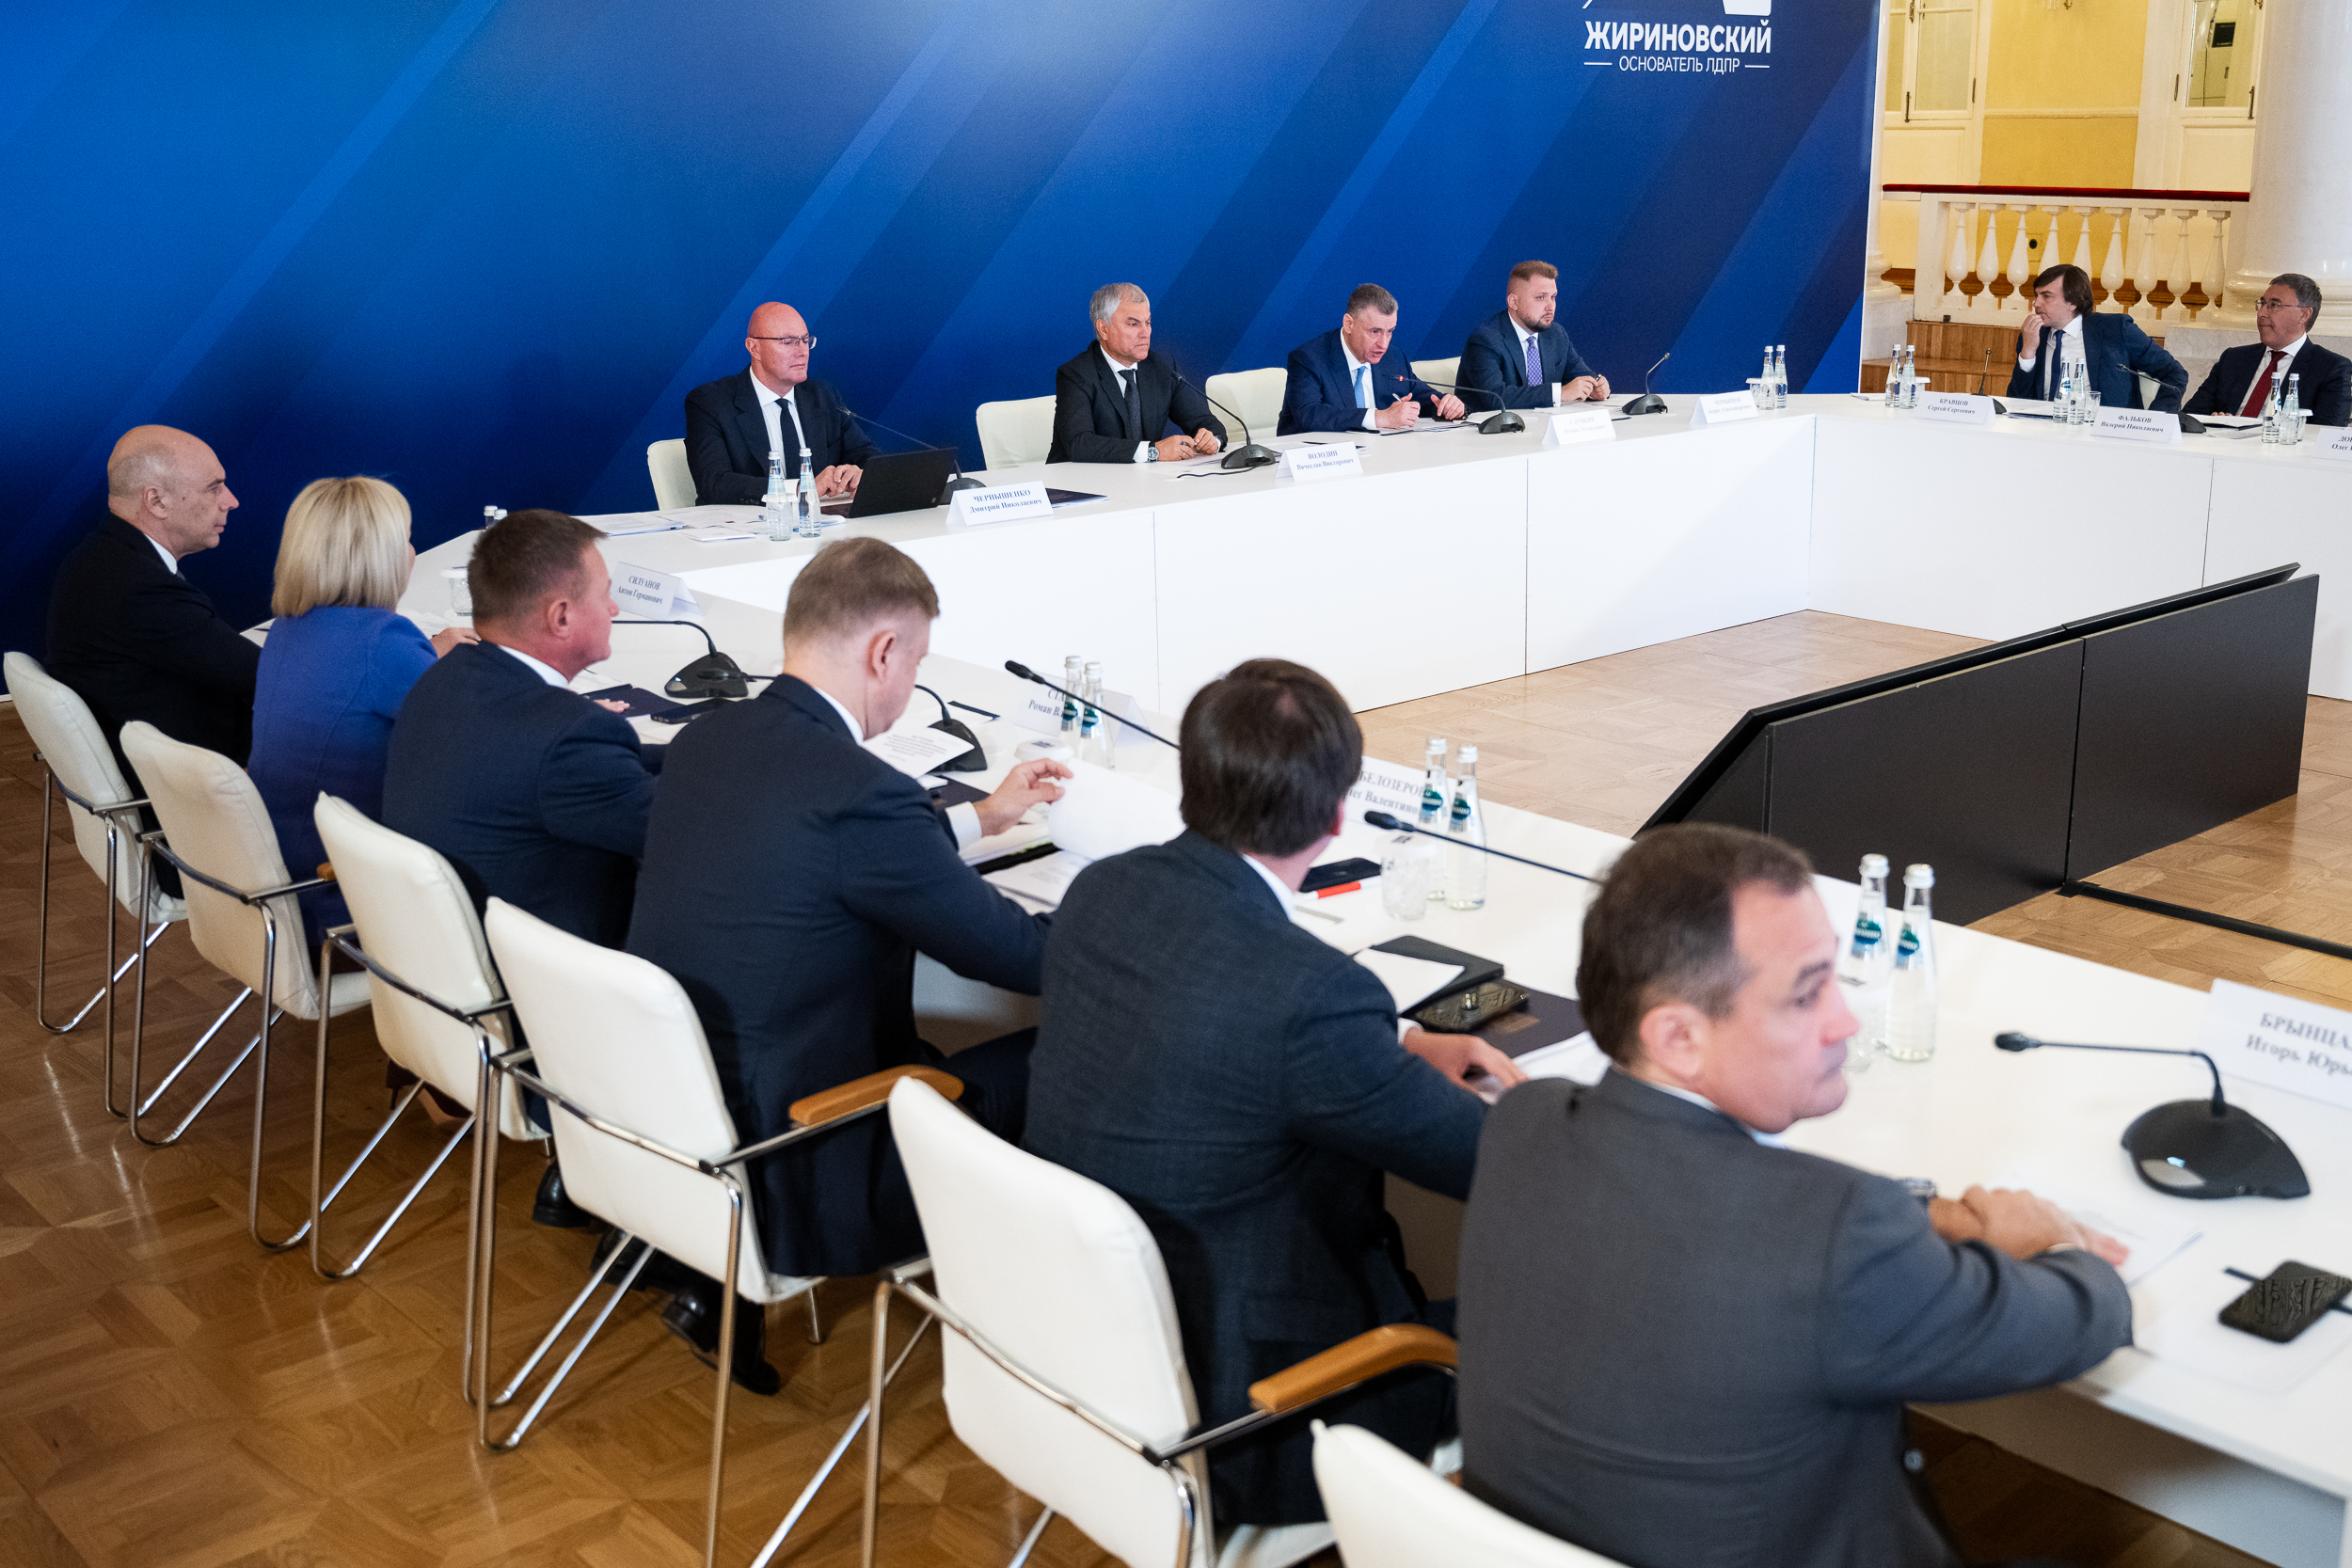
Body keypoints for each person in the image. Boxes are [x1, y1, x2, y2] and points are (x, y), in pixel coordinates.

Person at [1455, 824, 2134, 1568]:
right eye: (1807, 993)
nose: (1845, 1019)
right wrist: (2054, 1240)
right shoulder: (1835, 1238)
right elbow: (2080, 1322)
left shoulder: (1524, 1121)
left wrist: (1920, 1212)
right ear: (1678, 1037)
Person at [1025, 657, 1524, 1527]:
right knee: (1579, 1323)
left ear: (1192, 779)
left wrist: (1399, 1041)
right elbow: (1496, 1166)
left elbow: (1212, 1010)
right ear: (1336, 817)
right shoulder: (1312, 996)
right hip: (1261, 1414)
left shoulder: (1103, 890)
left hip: (1080, 1361)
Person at [626, 536, 1069, 1390]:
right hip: (805, 1160)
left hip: (679, 1131)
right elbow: (1017, 956)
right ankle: (1052, 1356)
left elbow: (817, 844)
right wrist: (1136, 922)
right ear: (884, 651)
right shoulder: (862, 794)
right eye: (918, 661)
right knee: (1075, 1050)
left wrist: (981, 816)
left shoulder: (710, 739)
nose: (911, 681)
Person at [383, 508, 659, 1231]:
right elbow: (688, 836)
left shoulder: (446, 679)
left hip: (446, 993)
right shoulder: (568, 737)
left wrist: (702, 751)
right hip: (551, 1017)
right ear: (561, 615)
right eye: (605, 593)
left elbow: (600, 771)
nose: (616, 607)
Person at [247, 476, 475, 949]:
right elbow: (479, 734)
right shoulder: (383, 641)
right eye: (406, 539)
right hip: (347, 898)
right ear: (382, 556)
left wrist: (427, 653)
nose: (413, 551)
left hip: (279, 881)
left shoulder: (288, 628)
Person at [46, 425, 261, 775]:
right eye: (214, 488)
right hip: (194, 784)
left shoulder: (102, 557)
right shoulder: (139, 587)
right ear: (157, 501)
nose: (231, 501)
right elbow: (263, 677)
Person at [683, 301, 880, 505]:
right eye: (788, 342)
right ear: (754, 348)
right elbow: (714, 483)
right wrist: (799, 489)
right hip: (753, 521)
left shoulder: (824, 396)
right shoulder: (710, 402)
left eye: (805, 340)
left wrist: (861, 474)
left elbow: (869, 456)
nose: (802, 351)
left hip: (822, 519)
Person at [1046, 283, 1225, 464]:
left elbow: (1207, 424)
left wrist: (1212, 441)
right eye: (1133, 324)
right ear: (1104, 329)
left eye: (1148, 323)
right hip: (1082, 478)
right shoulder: (1076, 375)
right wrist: (1153, 452)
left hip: (1145, 478)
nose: (1145, 333)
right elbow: (1080, 444)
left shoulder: (1160, 367)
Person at [1279, 284, 1467, 436]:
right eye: (1375, 332)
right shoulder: (1309, 359)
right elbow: (1309, 415)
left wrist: (1448, 406)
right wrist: (1380, 418)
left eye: (1390, 332)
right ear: (1349, 324)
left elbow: (1424, 398)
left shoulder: (1393, 358)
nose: (1383, 344)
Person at [2006, 263, 2186, 412]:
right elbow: (2016, 402)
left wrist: (2157, 418)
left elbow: (2174, 373)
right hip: (2044, 432)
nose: (2036, 303)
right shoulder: (2032, 336)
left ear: (2073, 302)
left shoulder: (2116, 329)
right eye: (2036, 295)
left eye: (2046, 296)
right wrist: (2028, 353)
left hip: (2105, 433)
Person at [2184, 273, 2351, 427]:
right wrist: (2218, 423)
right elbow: (2189, 417)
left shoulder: (2331, 368)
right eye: (2262, 304)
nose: (2261, 313)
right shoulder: (2234, 358)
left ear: (2304, 315)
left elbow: (2327, 432)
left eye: (2274, 305)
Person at [1457, 261, 1609, 411]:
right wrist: (1559, 393)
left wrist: (1596, 386)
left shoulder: (1556, 334)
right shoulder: (1485, 340)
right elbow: (1496, 398)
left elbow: (1581, 376)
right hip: (1493, 425)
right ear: (1514, 302)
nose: (1550, 306)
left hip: (1543, 422)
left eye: (1553, 297)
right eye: (1541, 297)